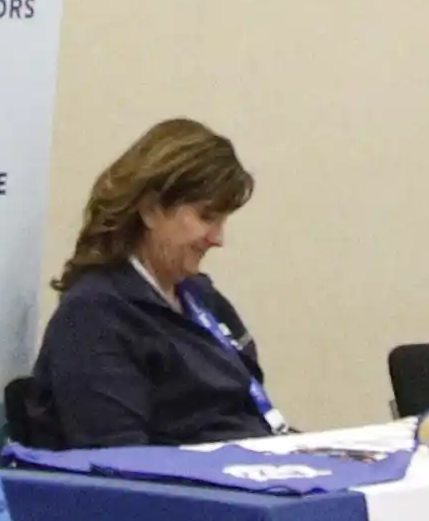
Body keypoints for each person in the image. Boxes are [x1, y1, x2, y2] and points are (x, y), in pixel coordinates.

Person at [33, 117, 273, 446]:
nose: (218, 239)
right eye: (206, 217)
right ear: (149, 210)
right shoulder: (93, 317)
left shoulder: (203, 299)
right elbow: (120, 464)